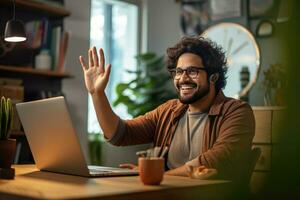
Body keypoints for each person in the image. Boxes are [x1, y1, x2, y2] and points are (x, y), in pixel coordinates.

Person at [79, 36, 255, 182]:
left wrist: (158, 175)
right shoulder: (169, 111)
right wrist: (97, 94)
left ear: (213, 77)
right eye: (178, 72)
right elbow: (120, 134)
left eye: (192, 71)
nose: (183, 79)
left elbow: (212, 162)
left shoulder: (237, 112)